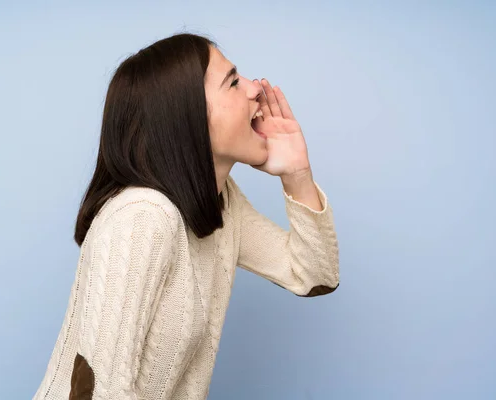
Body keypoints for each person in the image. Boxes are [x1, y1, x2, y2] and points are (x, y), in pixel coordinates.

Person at [33, 33, 340, 400]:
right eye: (232, 81)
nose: (255, 88)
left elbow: (313, 277)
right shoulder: (141, 218)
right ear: (187, 114)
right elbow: (100, 391)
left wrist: (297, 173)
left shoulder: (222, 202)